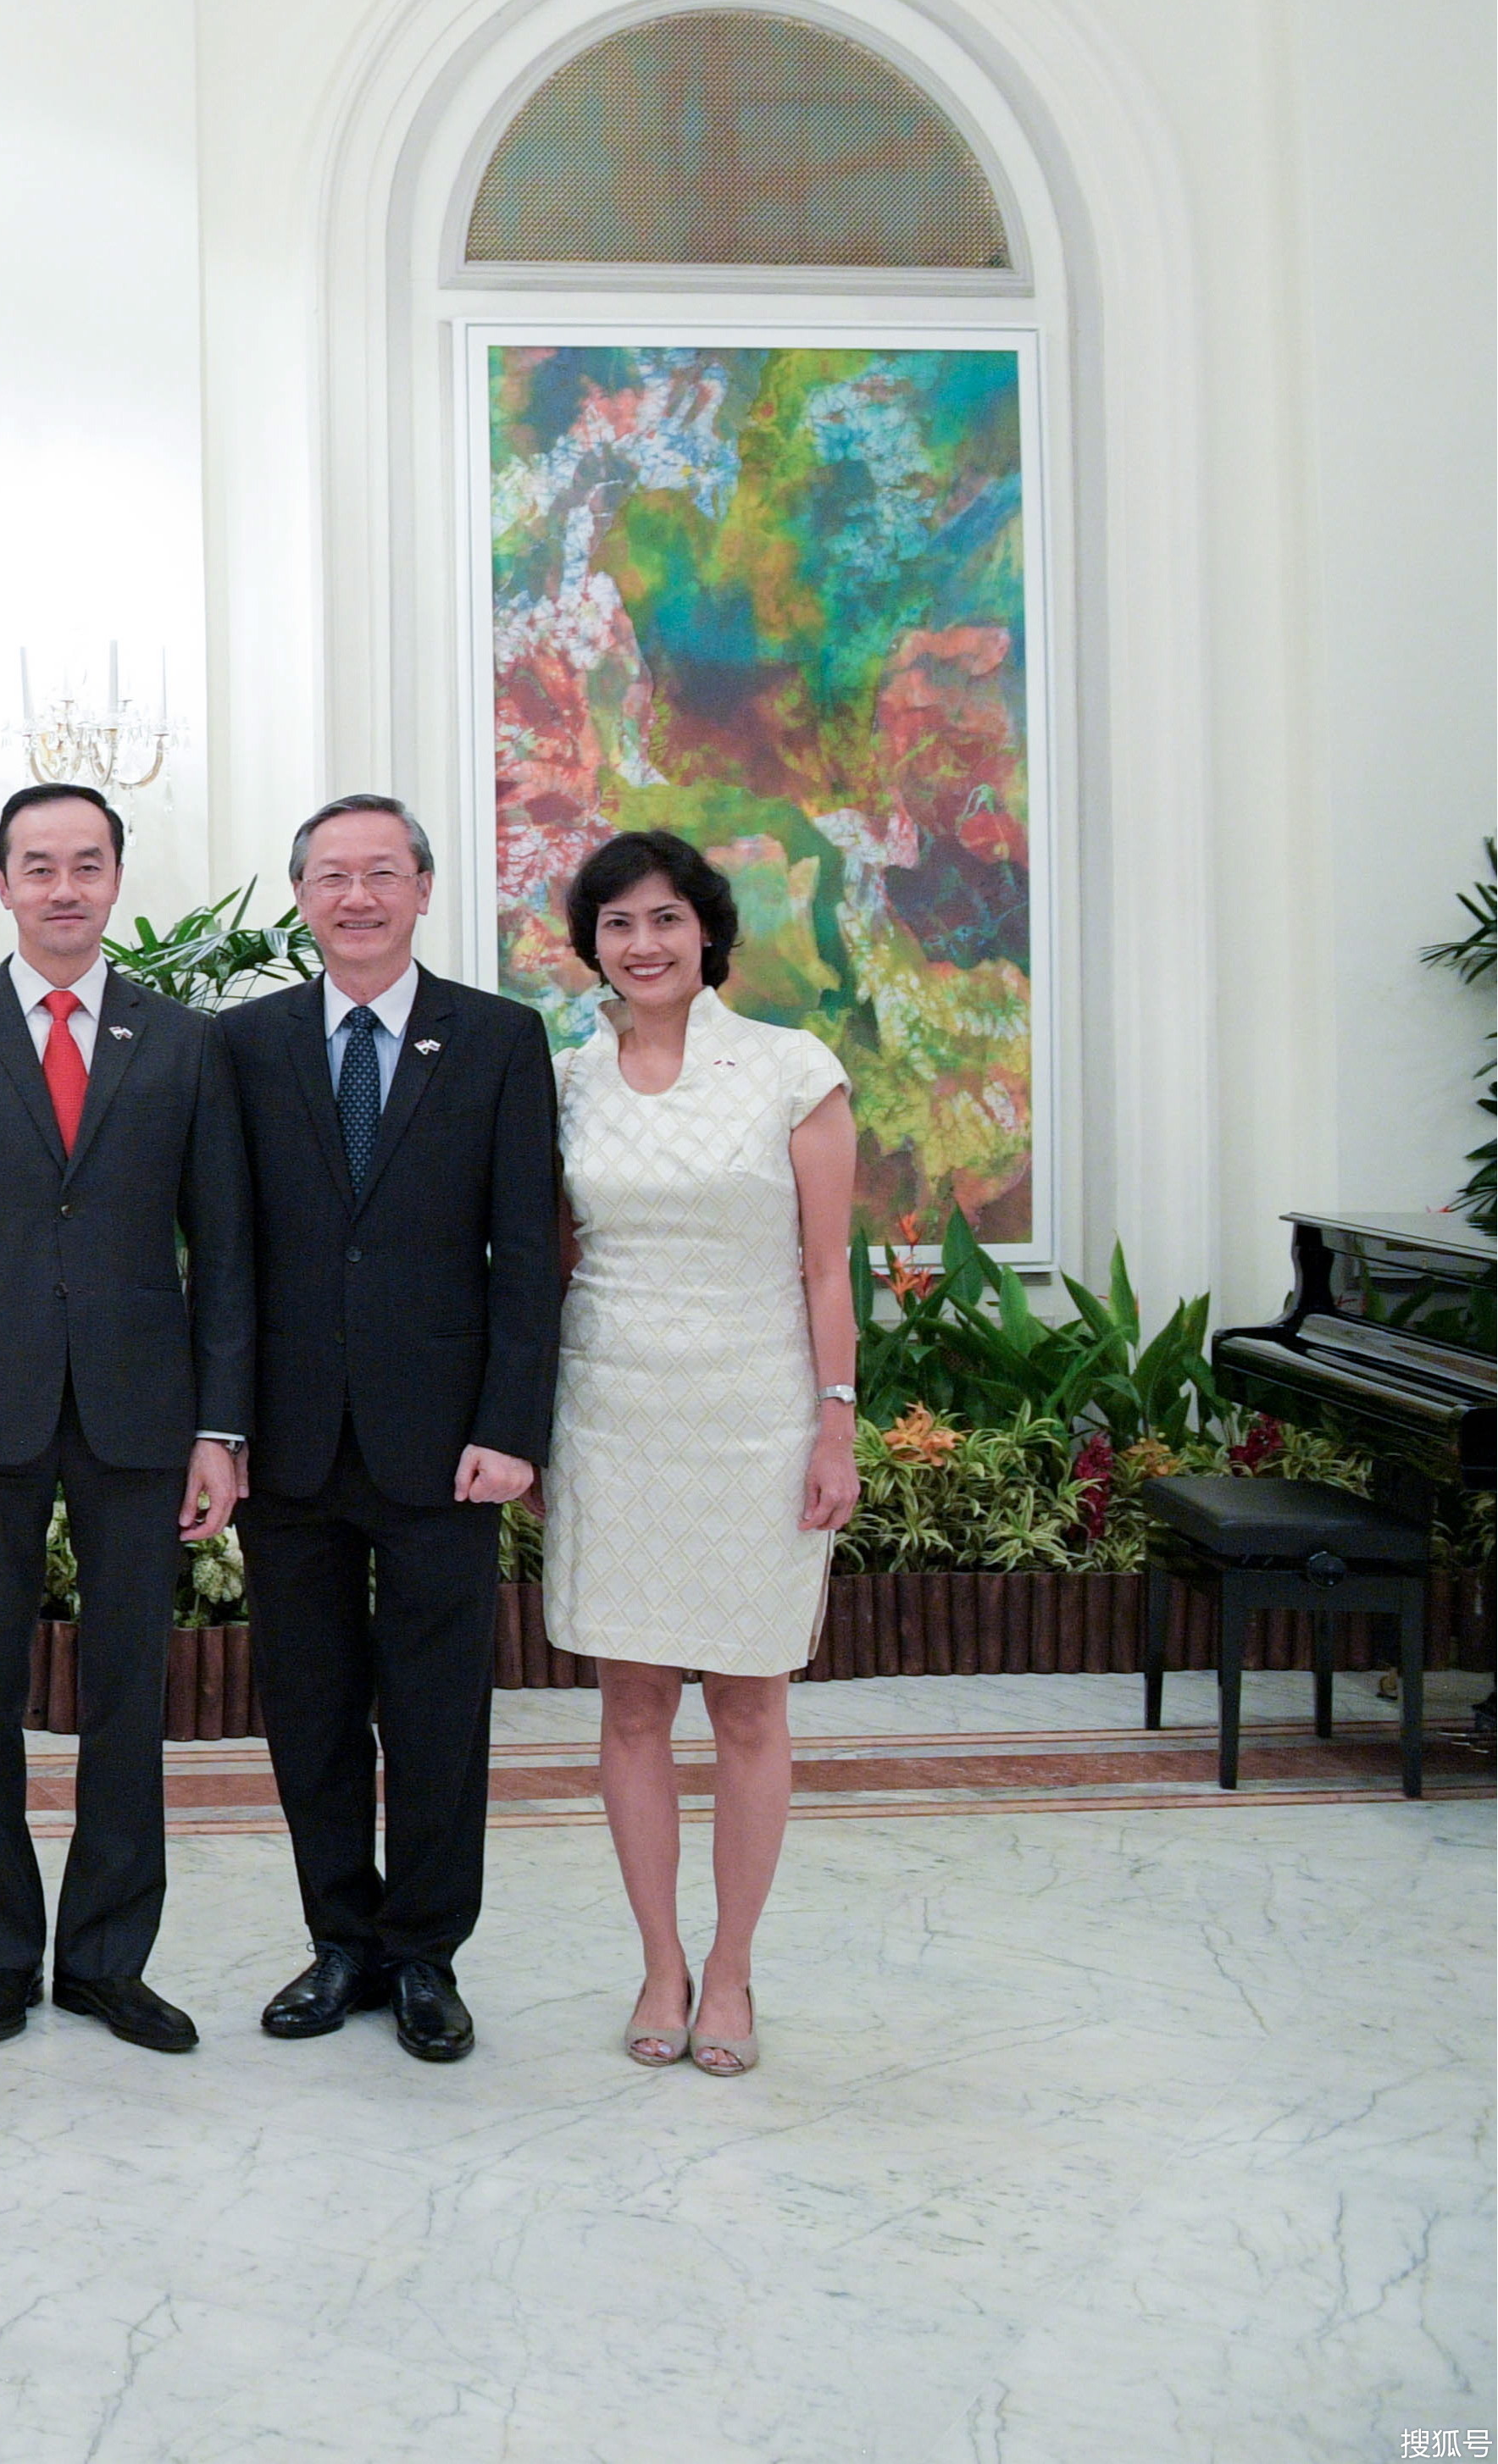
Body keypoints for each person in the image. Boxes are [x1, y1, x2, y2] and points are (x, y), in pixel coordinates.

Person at [0, 782, 249, 2056]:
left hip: (143, 1411)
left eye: (86, 863)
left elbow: (226, 1253)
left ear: (115, 877)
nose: (63, 887)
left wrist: (220, 1428)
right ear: (1, 884)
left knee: (126, 1691)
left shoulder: (182, 1044)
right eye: (39, 865)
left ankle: (103, 1958)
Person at [216, 795, 558, 2065]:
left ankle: (423, 1956)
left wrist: (510, 1425)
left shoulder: (497, 1039)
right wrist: (222, 1425)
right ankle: (338, 1942)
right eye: (328, 877)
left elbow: (525, 1253)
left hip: (444, 1445)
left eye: (379, 874)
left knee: (433, 1712)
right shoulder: (240, 1045)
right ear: (299, 896)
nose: (353, 897)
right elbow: (228, 1253)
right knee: (306, 1707)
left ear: (423, 887)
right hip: (288, 1441)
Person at [538, 828, 861, 2081]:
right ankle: (658, 1960)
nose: (643, 944)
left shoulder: (789, 1070)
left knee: (746, 1700)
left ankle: (730, 1971)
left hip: (752, 1414)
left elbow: (825, 1268)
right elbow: (554, 1259)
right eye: (618, 925)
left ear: (706, 931)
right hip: (613, 1411)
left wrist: (834, 1419)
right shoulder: (566, 1081)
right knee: (628, 1704)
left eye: (665, 918)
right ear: (593, 947)